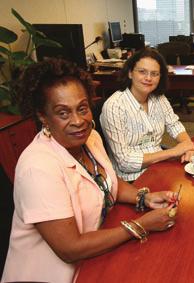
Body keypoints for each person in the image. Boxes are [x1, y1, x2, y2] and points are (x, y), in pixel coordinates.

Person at [1, 59, 179, 283]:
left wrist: (144, 197)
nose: (78, 121)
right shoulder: (37, 167)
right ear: (43, 116)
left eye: (82, 108)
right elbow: (69, 249)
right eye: (63, 113)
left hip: (96, 256)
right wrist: (142, 225)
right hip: (54, 274)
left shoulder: (90, 137)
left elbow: (107, 182)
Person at [100, 48, 194, 182]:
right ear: (130, 73)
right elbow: (124, 162)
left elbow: (174, 125)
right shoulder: (114, 106)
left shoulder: (159, 98)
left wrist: (188, 146)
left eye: (155, 74)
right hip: (130, 179)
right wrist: (174, 152)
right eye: (142, 72)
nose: (148, 78)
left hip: (160, 166)